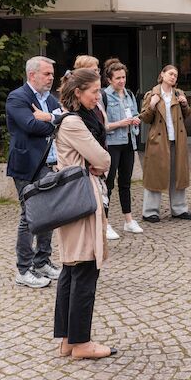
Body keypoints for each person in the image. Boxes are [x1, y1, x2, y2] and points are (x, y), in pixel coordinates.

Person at [53, 68, 117, 360]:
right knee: (84, 269)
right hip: (82, 200)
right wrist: (100, 163)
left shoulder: (69, 119)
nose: (98, 96)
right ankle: (81, 343)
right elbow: (103, 158)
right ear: (78, 93)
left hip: (73, 200)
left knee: (71, 269)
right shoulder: (74, 123)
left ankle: (67, 340)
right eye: (94, 91)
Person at [6, 56, 62, 288]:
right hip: (27, 167)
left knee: (48, 215)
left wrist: (51, 118)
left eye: (51, 74)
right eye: (47, 74)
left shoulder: (50, 99)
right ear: (32, 75)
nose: (51, 78)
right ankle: (23, 269)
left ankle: (42, 262)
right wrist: (55, 120)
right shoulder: (17, 98)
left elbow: (63, 119)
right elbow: (31, 126)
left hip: (50, 165)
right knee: (29, 218)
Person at [72, 55, 120, 241]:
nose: (96, 71)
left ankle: (103, 224)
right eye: (93, 68)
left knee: (105, 191)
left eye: (97, 68)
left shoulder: (100, 97)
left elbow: (102, 124)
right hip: (87, 161)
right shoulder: (74, 113)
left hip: (100, 150)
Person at [139, 65, 191, 223]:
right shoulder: (152, 94)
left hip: (177, 140)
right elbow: (146, 118)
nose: (173, 77)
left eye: (175, 75)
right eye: (170, 74)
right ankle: (150, 211)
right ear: (162, 75)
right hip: (158, 140)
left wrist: (184, 105)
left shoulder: (179, 94)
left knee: (178, 174)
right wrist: (152, 105)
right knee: (155, 174)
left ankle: (179, 209)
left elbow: (187, 115)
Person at [102, 59, 143, 235]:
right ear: (109, 80)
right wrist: (121, 123)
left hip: (128, 142)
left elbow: (134, 114)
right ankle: (105, 223)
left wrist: (135, 121)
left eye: (123, 77)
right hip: (112, 144)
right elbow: (102, 125)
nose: (121, 81)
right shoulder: (103, 96)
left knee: (125, 183)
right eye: (117, 78)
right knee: (108, 184)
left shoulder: (129, 95)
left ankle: (128, 220)